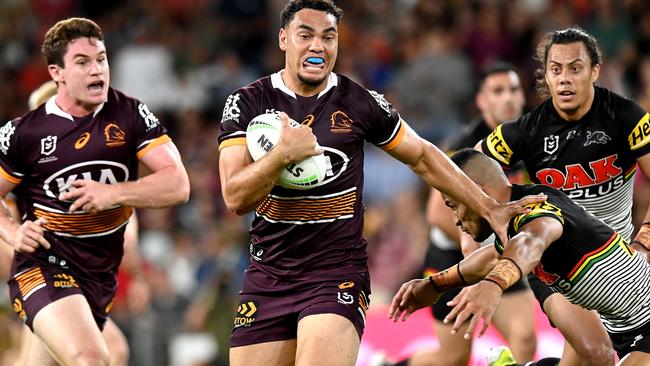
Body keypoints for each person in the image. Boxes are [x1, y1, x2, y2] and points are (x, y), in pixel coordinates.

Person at [217, 1, 545, 365]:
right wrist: (282, 155)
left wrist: (488, 206)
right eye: (305, 35)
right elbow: (235, 197)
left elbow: (423, 156)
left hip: (335, 275)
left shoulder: (358, 102)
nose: (317, 46)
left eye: (328, 37)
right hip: (268, 276)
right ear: (283, 39)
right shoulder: (247, 103)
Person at [0, 17, 190, 366]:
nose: (96, 70)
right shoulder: (23, 133)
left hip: (99, 276)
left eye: (101, 59)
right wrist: (12, 231)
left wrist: (113, 193)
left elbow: (178, 184)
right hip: (44, 265)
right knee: (95, 357)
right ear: (56, 72)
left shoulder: (130, 114)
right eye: (83, 62)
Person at [475, 27, 650, 365]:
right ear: (546, 75)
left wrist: (644, 239)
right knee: (600, 354)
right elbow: (466, 169)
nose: (565, 79)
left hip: (617, 260)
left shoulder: (626, 117)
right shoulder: (526, 132)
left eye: (575, 68)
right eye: (556, 69)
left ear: (594, 71)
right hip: (557, 267)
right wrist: (486, 216)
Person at [389, 148, 650, 365]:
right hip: (627, 332)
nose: (456, 220)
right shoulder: (516, 212)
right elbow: (490, 257)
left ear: (477, 192)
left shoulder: (534, 211)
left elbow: (533, 240)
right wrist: (435, 284)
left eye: (454, 205)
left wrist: (494, 284)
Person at [384, 63, 535, 366]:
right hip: (453, 254)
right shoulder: (464, 148)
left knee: (525, 337)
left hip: (499, 250)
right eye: (498, 91)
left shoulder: (529, 139)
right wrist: (474, 263)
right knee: (452, 359)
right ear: (482, 101)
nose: (508, 98)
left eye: (514, 89)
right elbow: (437, 213)